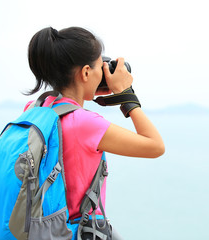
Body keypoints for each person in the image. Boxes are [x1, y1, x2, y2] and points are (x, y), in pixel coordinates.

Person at [25, 26, 165, 239]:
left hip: (45, 228)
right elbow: (155, 146)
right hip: (78, 232)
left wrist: (87, 90)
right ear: (86, 73)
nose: (104, 73)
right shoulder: (85, 123)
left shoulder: (34, 108)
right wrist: (126, 95)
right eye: (101, 66)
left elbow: (67, 105)